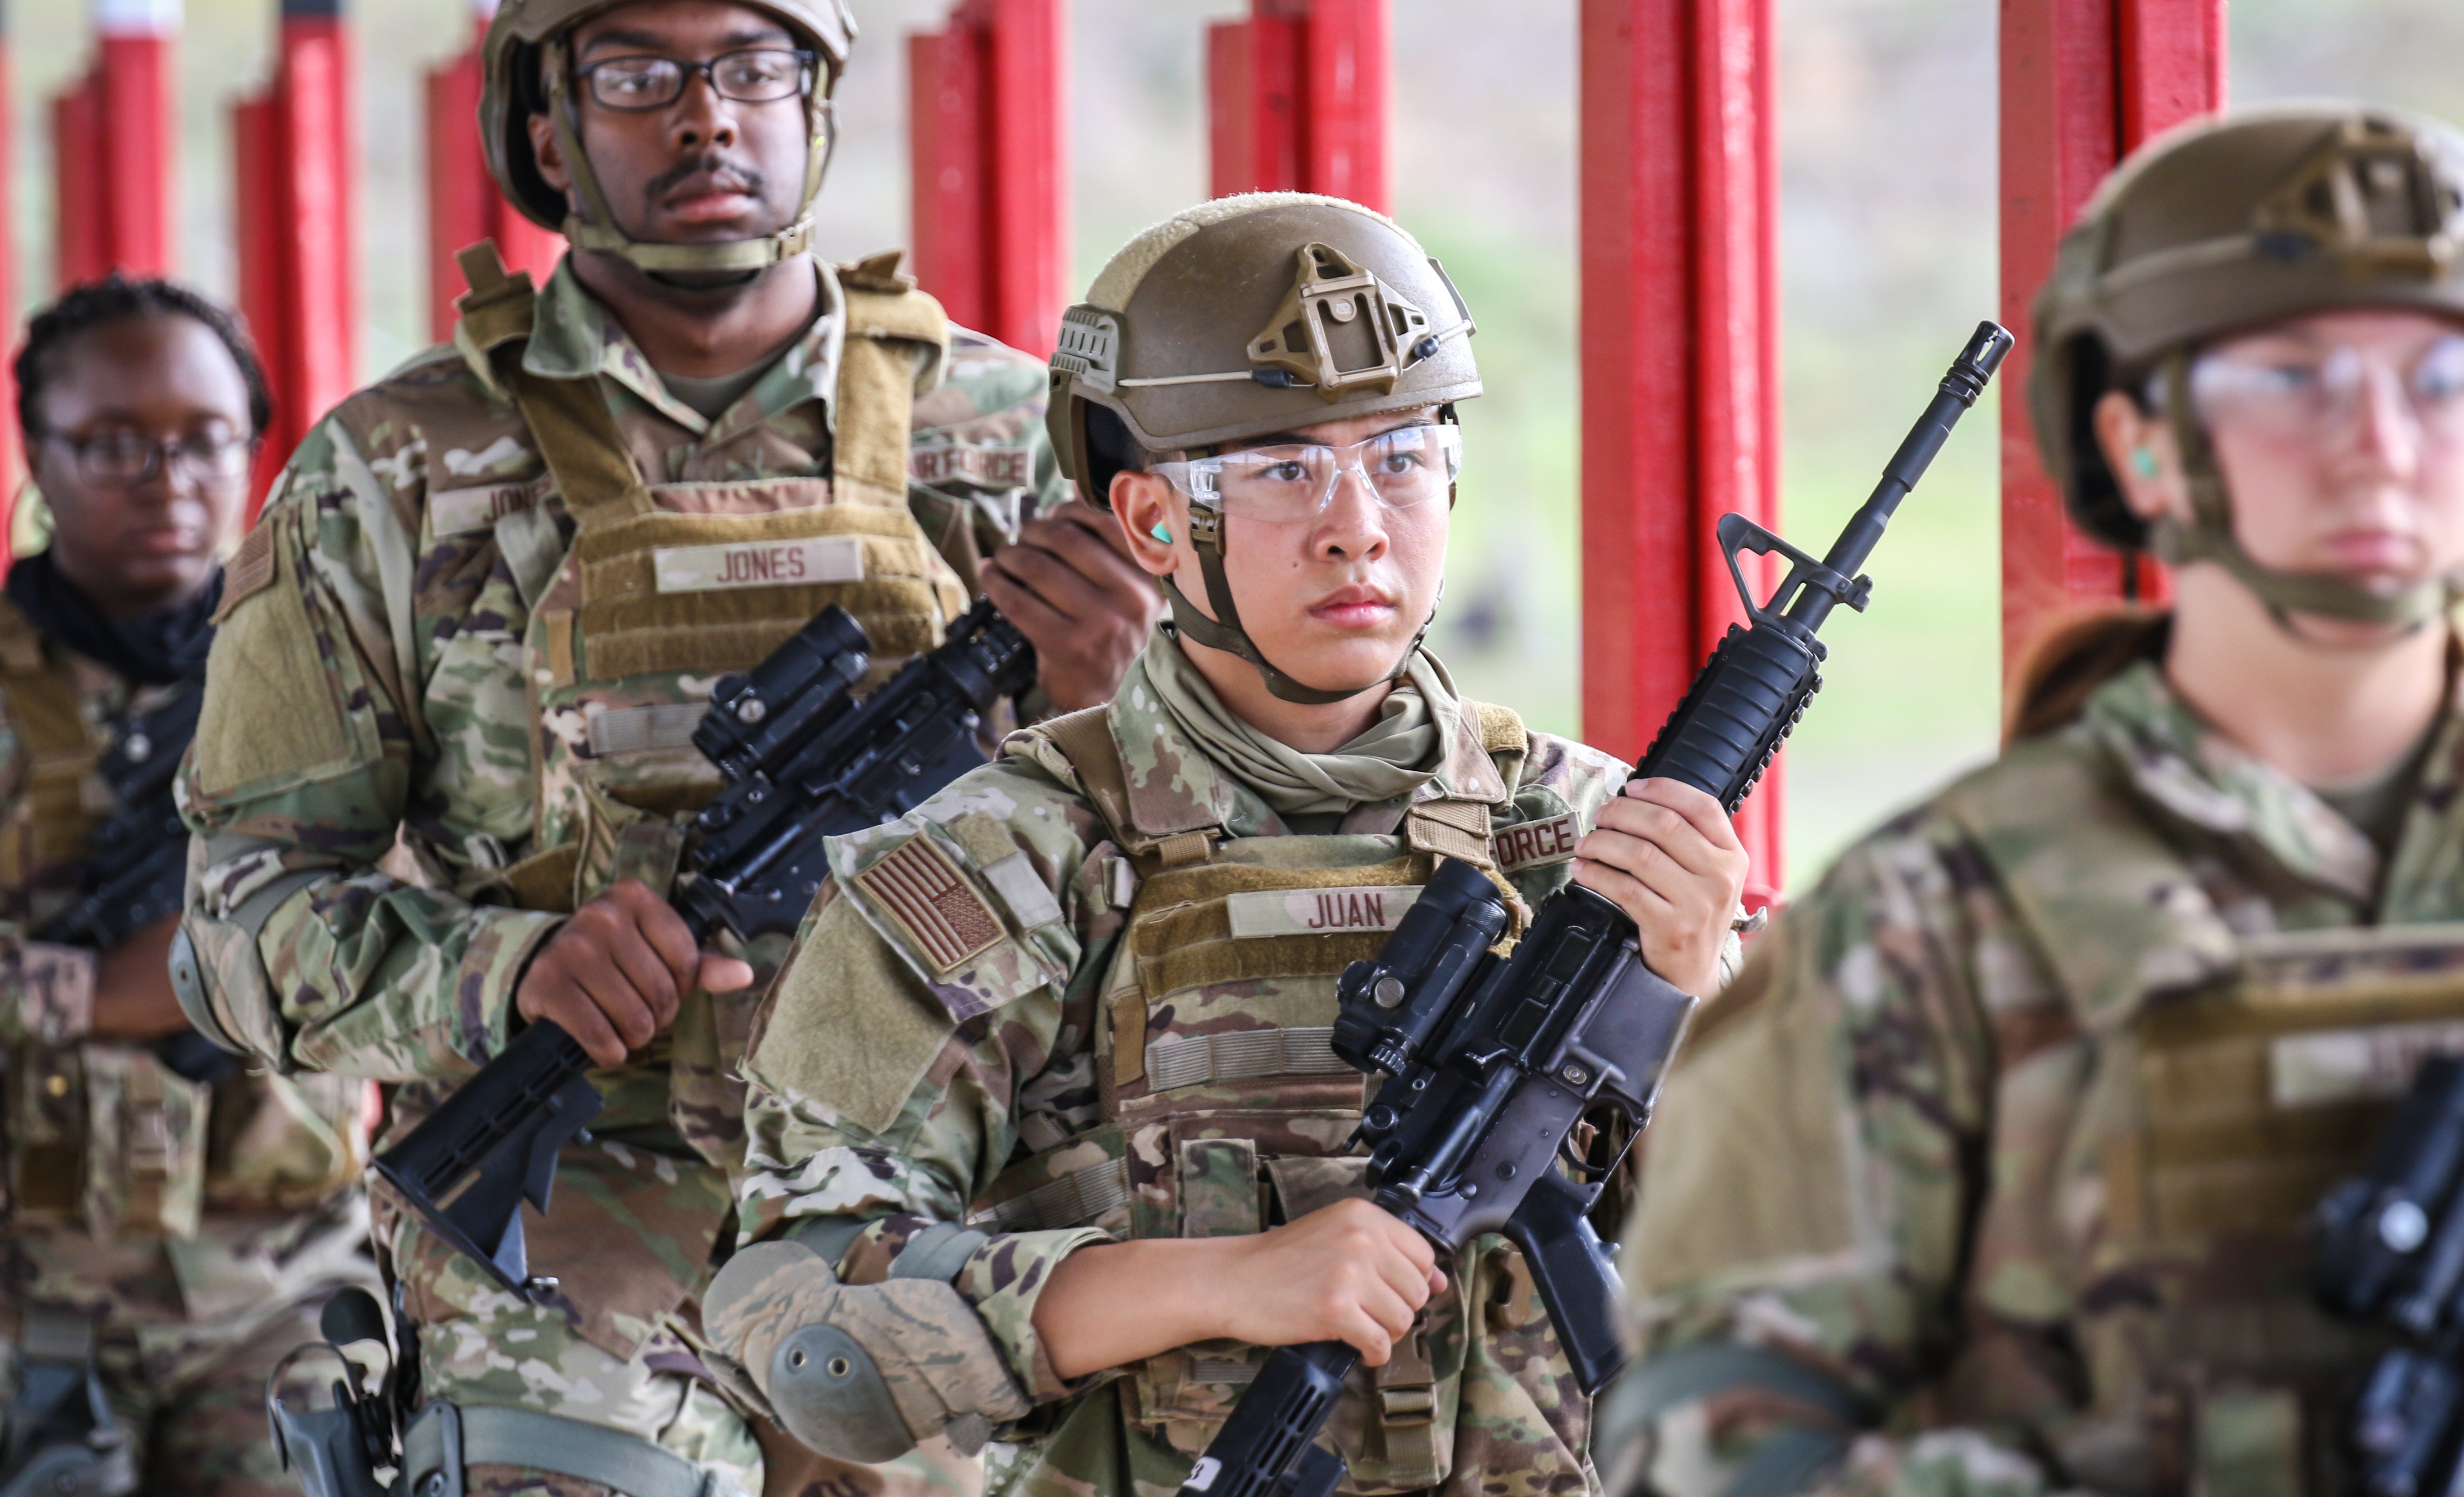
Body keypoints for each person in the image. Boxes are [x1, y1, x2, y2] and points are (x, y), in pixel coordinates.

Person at [173, 0, 1151, 1497]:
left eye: (753, 73)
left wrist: (1119, 706)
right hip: (580, 1241)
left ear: (817, 111)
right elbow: (235, 926)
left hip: (961, 1216)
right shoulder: (399, 468)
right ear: (550, 136)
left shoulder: (1019, 437)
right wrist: (509, 974)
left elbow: (1260, 820)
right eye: (638, 77)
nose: (707, 116)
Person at [699, 193, 1752, 1497]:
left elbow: (1833, 1278)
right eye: (1283, 469)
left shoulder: (1589, 838)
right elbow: (796, 1328)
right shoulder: (1006, 859)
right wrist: (1218, 1284)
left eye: (1403, 458)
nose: (1358, 522)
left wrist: (1695, 1007)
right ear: (1149, 524)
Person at [1602, 102, 2464, 1497]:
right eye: (2295, 380)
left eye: (2439, 380)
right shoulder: (1916, 929)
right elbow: (1706, 1456)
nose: (2384, 443)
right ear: (2137, 444)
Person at [0, 276, 374, 1497]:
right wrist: (84, 995)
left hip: (279, 1290)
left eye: (202, 437)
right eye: (112, 442)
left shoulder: (341, 681)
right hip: (28, 1292)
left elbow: (419, 911)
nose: (164, 477)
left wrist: (185, 972)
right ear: (38, 458)